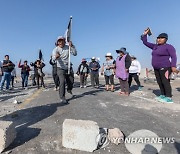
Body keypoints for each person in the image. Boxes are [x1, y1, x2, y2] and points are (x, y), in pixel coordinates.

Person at [141, 28, 178, 103]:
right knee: (159, 82)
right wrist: (145, 34)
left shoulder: (169, 47)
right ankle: (163, 95)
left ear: (166, 39)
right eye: (158, 38)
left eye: (161, 38)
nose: (159, 39)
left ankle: (168, 97)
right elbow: (145, 42)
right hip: (156, 68)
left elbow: (174, 56)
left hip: (165, 67)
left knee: (165, 81)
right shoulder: (155, 46)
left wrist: (173, 66)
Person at [52, 36, 77, 103]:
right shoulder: (55, 50)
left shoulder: (67, 47)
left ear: (64, 41)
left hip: (68, 67)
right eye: (59, 41)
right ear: (57, 42)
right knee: (62, 81)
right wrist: (56, 57)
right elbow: (52, 59)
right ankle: (62, 97)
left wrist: (72, 46)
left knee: (71, 81)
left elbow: (75, 54)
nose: (61, 42)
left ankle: (69, 89)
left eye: (62, 41)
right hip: (60, 68)